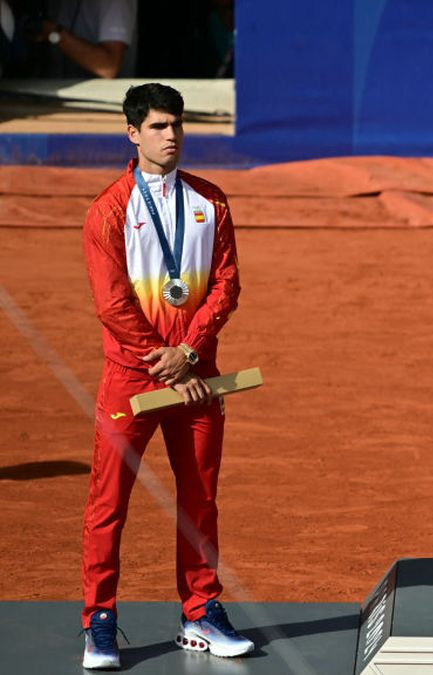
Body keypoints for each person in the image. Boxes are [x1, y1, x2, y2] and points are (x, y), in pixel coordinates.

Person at [79, 83, 251, 670]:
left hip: (198, 377)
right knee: (109, 503)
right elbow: (111, 303)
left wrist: (190, 352)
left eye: (176, 125)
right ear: (132, 133)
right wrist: (164, 358)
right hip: (133, 380)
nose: (170, 135)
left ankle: (200, 612)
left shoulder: (212, 201)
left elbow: (226, 284)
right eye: (156, 126)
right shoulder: (109, 210)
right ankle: (99, 621)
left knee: (200, 501)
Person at [27, 0, 135, 78]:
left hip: (97, 102)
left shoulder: (115, 3)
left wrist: (52, 33)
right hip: (50, 94)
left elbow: (108, 67)